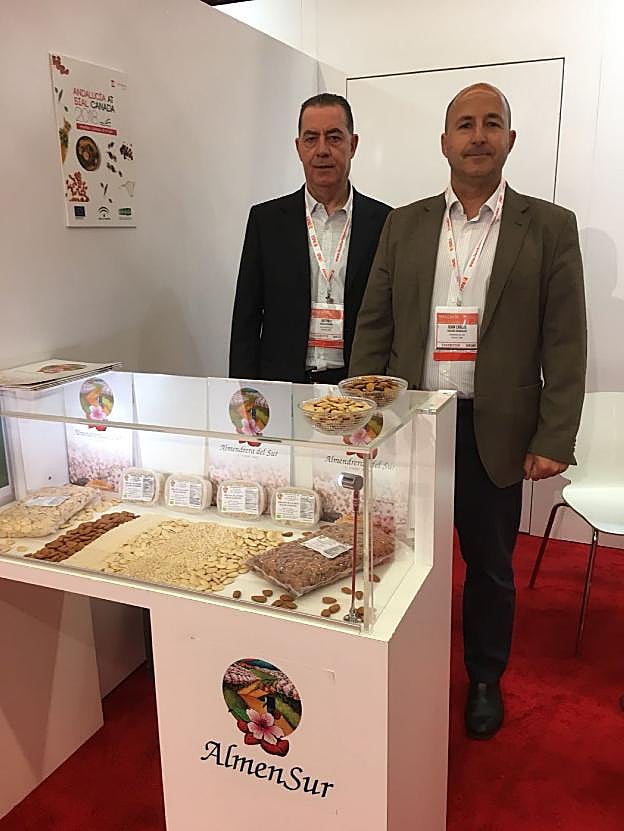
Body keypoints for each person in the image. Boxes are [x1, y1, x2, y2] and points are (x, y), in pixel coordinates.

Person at [349, 83, 587, 739]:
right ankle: (401, 665)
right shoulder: (406, 223)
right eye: (464, 124)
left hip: (495, 430)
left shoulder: (550, 226)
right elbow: (373, 326)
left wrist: (554, 435)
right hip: (414, 425)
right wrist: (363, 415)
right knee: (397, 555)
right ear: (444, 141)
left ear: (510, 139)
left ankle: (484, 677)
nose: (477, 135)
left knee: (489, 567)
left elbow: (566, 341)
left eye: (491, 123)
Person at [229, 93, 392, 384]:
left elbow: (391, 320)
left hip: (357, 386)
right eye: (311, 139)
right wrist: (244, 392)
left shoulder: (385, 222)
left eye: (334, 138)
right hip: (283, 384)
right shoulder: (266, 221)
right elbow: (246, 319)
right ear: (299, 148)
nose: (322, 150)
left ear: (353, 145)